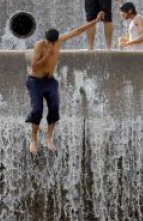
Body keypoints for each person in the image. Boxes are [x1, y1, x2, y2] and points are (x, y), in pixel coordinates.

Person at [26, 11, 104, 154]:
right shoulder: (39, 46)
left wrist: (96, 20)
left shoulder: (60, 40)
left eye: (53, 43)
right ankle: (33, 140)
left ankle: (49, 138)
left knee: (54, 108)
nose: (51, 45)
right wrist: (47, 55)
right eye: (49, 42)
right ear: (45, 40)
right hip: (35, 81)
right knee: (37, 110)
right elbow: (34, 66)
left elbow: (78, 30)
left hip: (50, 80)